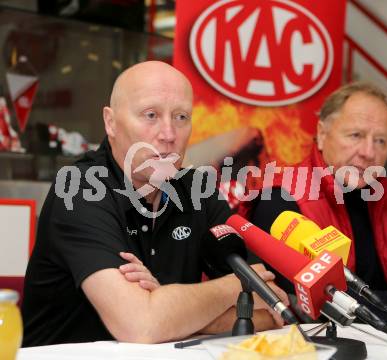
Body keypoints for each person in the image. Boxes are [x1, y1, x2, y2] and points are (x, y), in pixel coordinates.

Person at [22, 61, 288, 346]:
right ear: (110, 122)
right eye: (151, 115)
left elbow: (273, 305)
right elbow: (142, 326)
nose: (169, 134)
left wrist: (166, 304)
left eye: (181, 117)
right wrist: (234, 286)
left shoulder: (197, 190)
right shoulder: (78, 188)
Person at [251, 82, 387, 326]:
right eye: (356, 135)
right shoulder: (281, 199)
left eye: (381, 141)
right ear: (321, 134)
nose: (368, 152)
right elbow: (319, 299)